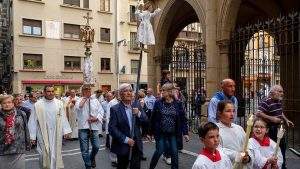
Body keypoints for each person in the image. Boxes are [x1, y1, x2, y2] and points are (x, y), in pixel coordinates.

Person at [28, 85, 72, 169]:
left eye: (52, 91)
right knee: (43, 154)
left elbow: (63, 117)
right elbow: (32, 121)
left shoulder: (59, 103)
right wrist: (32, 136)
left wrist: (66, 130)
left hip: (56, 131)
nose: (51, 93)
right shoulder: (38, 105)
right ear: (44, 92)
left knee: (55, 154)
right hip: (43, 132)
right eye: (48, 91)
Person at [149, 83, 189, 169]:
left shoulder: (178, 103)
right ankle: (151, 167)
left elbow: (183, 119)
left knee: (174, 153)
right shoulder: (158, 102)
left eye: (163, 90)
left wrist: (185, 133)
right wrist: (150, 132)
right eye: (161, 90)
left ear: (170, 92)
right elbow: (153, 118)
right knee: (159, 151)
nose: (161, 92)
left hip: (173, 133)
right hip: (161, 132)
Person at [109, 83, 148, 169]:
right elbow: (112, 129)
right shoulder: (115, 109)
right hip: (122, 144)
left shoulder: (137, 105)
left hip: (136, 143)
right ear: (120, 94)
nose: (129, 93)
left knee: (136, 167)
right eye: (126, 91)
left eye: (130, 91)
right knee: (122, 166)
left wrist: (138, 113)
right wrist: (126, 140)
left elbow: (145, 120)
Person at [256, 85, 294, 169]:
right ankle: (272, 165)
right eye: (280, 91)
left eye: (282, 91)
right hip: (271, 129)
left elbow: (280, 112)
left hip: (279, 128)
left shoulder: (278, 100)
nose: (282, 93)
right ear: (273, 92)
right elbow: (258, 113)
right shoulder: (265, 101)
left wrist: (286, 120)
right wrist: (272, 118)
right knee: (273, 149)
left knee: (282, 147)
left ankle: (282, 165)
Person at [216, 100, 252, 168]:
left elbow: (248, 146)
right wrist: (238, 155)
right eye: (228, 111)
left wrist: (248, 157)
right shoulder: (216, 130)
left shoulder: (239, 128)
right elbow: (218, 150)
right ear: (219, 113)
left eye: (233, 111)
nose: (232, 114)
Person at [75, 85, 104, 169]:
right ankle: (88, 166)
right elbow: (79, 107)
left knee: (96, 146)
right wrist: (85, 98)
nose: (88, 91)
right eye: (86, 90)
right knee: (84, 150)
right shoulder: (78, 100)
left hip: (93, 127)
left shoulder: (95, 101)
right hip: (83, 128)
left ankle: (91, 158)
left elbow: (101, 111)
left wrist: (96, 118)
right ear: (82, 91)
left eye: (89, 90)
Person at [0, 95, 30, 169]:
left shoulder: (21, 114)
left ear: (13, 103)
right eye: (4, 103)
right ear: (1, 104)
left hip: (18, 148)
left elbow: (26, 129)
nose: (7, 104)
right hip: (2, 150)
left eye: (9, 102)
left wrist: (28, 143)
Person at [104, 91, 119, 167]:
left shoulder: (123, 102)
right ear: (115, 94)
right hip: (113, 126)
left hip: (121, 126)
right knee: (113, 143)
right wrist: (110, 128)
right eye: (118, 93)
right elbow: (108, 116)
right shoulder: (112, 103)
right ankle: (113, 160)